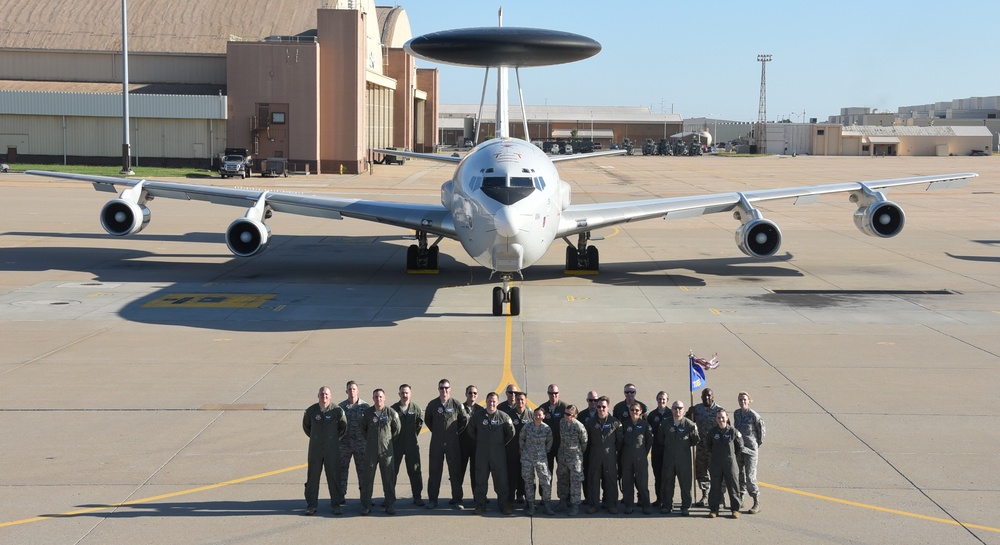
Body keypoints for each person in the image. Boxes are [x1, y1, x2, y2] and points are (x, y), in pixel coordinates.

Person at [302, 386, 347, 516]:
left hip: (332, 449)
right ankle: (311, 505)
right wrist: (317, 438)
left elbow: (343, 427)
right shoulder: (311, 411)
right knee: (313, 477)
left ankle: (336, 504)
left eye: (326, 394)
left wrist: (332, 439)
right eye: (322, 394)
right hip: (315, 449)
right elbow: (306, 427)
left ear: (330, 396)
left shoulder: (337, 411)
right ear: (318, 396)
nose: (324, 396)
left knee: (334, 475)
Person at [425, 378, 468, 510]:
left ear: (450, 389)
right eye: (442, 388)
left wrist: (453, 433)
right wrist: (438, 432)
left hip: (452, 443)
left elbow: (464, 420)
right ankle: (432, 500)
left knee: (455, 471)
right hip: (437, 443)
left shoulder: (456, 404)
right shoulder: (432, 404)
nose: (444, 390)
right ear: (438, 389)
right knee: (434, 471)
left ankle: (457, 500)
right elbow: (428, 420)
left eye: (446, 388)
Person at [469, 392, 515, 515]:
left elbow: (511, 433)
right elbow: (471, 430)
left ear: (497, 403)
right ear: (486, 402)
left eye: (494, 401)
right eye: (489, 401)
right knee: (480, 480)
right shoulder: (478, 416)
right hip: (482, 454)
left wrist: (499, 444)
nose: (492, 403)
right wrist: (481, 442)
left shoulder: (503, 417)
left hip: (498, 454)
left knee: (501, 480)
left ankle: (504, 505)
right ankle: (480, 505)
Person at [359, 389, 401, 515]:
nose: (378, 399)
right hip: (371, 451)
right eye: (376, 397)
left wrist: (385, 440)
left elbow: (397, 429)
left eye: (381, 397)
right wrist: (372, 440)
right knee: (367, 477)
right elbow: (363, 429)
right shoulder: (367, 413)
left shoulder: (391, 413)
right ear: (373, 399)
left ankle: (389, 504)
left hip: (386, 451)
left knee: (388, 477)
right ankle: (366, 504)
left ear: (385, 398)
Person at [658, 400, 699, 516]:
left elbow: (695, 441)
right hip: (669, 459)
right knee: (667, 483)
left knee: (685, 484)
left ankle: (685, 506)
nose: (678, 410)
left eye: (680, 408)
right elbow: (661, 439)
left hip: (684, 460)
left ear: (684, 409)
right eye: (675, 408)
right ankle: (667, 505)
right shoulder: (665, 424)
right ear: (671, 409)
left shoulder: (690, 425)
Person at [686, 387, 723, 507]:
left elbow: (727, 428)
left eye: (709, 395)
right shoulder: (696, 409)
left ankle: (719, 497)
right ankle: (705, 495)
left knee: (717, 473)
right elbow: (687, 422)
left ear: (713, 397)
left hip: (716, 448)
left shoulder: (719, 411)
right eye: (704, 396)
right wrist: (689, 413)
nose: (707, 398)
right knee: (701, 471)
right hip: (701, 446)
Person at [586, 396, 623, 514]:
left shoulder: (615, 422)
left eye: (603, 407)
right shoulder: (590, 422)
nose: (601, 409)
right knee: (593, 480)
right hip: (595, 455)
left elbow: (620, 441)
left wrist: (612, 452)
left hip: (610, 455)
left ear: (608, 407)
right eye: (599, 407)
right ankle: (594, 505)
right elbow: (587, 440)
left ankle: (611, 504)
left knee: (611, 480)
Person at [391, 383, 425, 506]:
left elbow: (419, 425)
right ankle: (389, 497)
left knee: (415, 470)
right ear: (399, 394)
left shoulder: (416, 409)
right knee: (392, 471)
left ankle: (417, 496)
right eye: (402, 393)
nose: (404, 395)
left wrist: (411, 436)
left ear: (410, 394)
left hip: (411, 444)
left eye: (407, 393)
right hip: (396, 444)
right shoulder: (393, 409)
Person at [706, 409, 744, 519]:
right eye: (718, 418)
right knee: (715, 487)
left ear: (727, 418)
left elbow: (739, 447)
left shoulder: (733, 432)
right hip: (716, 463)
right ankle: (714, 509)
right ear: (716, 419)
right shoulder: (712, 432)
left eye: (722, 417)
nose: (721, 419)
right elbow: (708, 446)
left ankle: (735, 510)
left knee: (733, 487)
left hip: (730, 463)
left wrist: (731, 457)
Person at [733, 391, 765, 514]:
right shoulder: (736, 413)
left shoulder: (754, 415)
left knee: (750, 477)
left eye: (744, 399)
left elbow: (761, 431)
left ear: (749, 400)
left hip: (751, 450)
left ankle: (756, 502)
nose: (742, 402)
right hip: (740, 449)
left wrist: (756, 444)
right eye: (740, 400)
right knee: (740, 474)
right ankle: (741, 498)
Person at [338, 380, 370, 502]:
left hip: (361, 444)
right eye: (349, 389)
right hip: (344, 445)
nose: (352, 391)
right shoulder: (341, 407)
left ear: (358, 390)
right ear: (346, 391)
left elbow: (369, 426)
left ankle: (364, 496)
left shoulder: (365, 407)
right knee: (342, 470)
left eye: (354, 389)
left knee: (363, 471)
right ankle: (341, 495)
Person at [520, 407, 555, 516]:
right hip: (527, 459)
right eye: (536, 415)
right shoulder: (527, 427)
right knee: (529, 482)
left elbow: (549, 443)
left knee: (545, 482)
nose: (537, 417)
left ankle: (547, 506)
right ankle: (531, 506)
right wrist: (525, 452)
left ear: (544, 416)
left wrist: (543, 451)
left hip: (541, 459)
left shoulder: (547, 429)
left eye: (540, 415)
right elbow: (521, 439)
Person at [620, 402, 653, 514]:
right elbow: (620, 442)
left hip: (640, 458)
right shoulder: (624, 425)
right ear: (629, 411)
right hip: (627, 457)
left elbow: (649, 441)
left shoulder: (645, 425)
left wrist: (643, 453)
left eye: (637, 410)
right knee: (627, 482)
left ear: (641, 412)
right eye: (632, 410)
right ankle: (629, 505)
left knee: (642, 483)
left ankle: (646, 505)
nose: (634, 412)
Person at [555, 404, 588, 516]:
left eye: (568, 414)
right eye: (565, 413)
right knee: (562, 479)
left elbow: (584, 442)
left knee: (575, 482)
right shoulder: (562, 423)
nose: (566, 416)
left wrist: (577, 452)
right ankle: (563, 501)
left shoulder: (579, 426)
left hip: (575, 457)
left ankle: (575, 506)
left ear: (574, 416)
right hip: (563, 456)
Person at [456, 384, 481, 504]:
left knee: (476, 473)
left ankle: (477, 497)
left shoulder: (481, 410)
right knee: (458, 472)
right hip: (462, 445)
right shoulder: (459, 408)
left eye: (475, 393)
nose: (472, 395)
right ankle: (457, 498)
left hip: (476, 446)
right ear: (466, 394)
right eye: (470, 393)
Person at [505, 391, 531, 506]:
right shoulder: (509, 415)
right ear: (515, 400)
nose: (520, 402)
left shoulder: (531, 415)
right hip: (512, 450)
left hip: (526, 452)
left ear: (525, 401)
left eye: (522, 399)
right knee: (512, 475)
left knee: (526, 476)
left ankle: (524, 497)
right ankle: (510, 499)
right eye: (518, 399)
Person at [645, 391, 670, 507]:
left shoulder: (671, 413)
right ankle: (659, 498)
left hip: (668, 449)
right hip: (656, 449)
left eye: (664, 399)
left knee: (668, 475)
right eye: (660, 399)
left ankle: (667, 500)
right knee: (657, 475)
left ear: (667, 400)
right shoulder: (652, 415)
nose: (661, 401)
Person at [538, 384, 568, 477]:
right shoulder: (543, 408)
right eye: (551, 393)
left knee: (563, 474)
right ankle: (544, 492)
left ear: (559, 393)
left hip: (561, 446)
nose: (553, 395)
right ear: (548, 393)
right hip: (547, 447)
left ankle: (563, 492)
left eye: (555, 393)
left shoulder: (565, 407)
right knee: (546, 474)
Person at [580, 390, 600, 505]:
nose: (593, 402)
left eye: (595, 400)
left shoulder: (603, 413)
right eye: (590, 400)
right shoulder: (582, 415)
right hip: (586, 450)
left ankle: (603, 498)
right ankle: (588, 497)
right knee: (586, 474)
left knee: (601, 474)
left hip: (598, 450)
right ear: (587, 401)